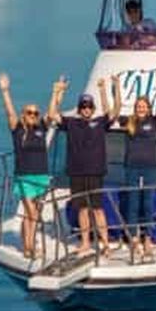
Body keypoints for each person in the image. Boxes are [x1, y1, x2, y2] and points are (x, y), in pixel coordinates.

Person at [50, 75, 121, 256]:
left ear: (93, 108)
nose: (86, 109)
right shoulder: (71, 123)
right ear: (79, 109)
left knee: (97, 209)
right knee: (82, 209)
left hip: (95, 172)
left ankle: (105, 243)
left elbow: (114, 111)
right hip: (76, 172)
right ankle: (86, 243)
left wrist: (110, 88)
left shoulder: (100, 123)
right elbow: (52, 115)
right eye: (83, 106)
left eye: (89, 106)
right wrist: (56, 92)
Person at [0, 72, 59, 259]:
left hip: (41, 176)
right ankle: (29, 248)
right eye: (30, 113)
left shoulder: (41, 128)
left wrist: (55, 93)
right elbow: (10, 112)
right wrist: (5, 91)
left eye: (35, 113)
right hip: (24, 177)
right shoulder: (17, 129)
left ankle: (27, 245)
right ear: (24, 115)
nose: (33, 115)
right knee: (32, 213)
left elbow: (51, 112)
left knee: (33, 213)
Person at [117, 95, 156, 261]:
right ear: (135, 108)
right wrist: (115, 89)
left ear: (148, 108)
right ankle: (134, 238)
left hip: (150, 167)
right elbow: (114, 113)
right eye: (138, 106)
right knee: (133, 203)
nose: (141, 109)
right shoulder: (129, 121)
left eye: (143, 106)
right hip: (132, 167)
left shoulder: (154, 121)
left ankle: (148, 238)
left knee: (148, 203)